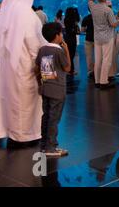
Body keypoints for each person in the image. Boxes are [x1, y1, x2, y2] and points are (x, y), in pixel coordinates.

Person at [0, 0, 47, 145]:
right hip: (25, 66)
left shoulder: (6, 10)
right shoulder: (27, 14)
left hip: (7, 67)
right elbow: (34, 44)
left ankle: (11, 132)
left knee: (11, 98)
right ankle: (25, 135)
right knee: (25, 101)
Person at [35, 22, 71, 157]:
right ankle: (51, 147)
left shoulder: (42, 49)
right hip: (57, 89)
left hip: (45, 88)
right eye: (61, 33)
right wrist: (66, 50)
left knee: (46, 116)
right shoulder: (59, 50)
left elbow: (37, 68)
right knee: (54, 119)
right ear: (57, 35)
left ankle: (44, 146)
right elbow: (67, 68)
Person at [88, 0, 119, 89]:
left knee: (97, 60)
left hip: (97, 38)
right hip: (107, 37)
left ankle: (97, 81)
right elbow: (113, 24)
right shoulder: (108, 10)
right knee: (106, 60)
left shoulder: (93, 7)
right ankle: (103, 81)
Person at [63, 7, 79, 76]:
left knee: (68, 54)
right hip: (72, 38)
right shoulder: (73, 20)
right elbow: (75, 30)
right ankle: (71, 70)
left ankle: (69, 69)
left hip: (67, 38)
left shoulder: (66, 19)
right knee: (71, 54)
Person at [81, 10, 95, 79]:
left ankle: (90, 71)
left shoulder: (86, 18)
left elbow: (82, 30)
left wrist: (88, 30)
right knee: (99, 56)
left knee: (89, 56)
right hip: (97, 39)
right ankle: (98, 70)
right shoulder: (98, 17)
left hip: (88, 39)